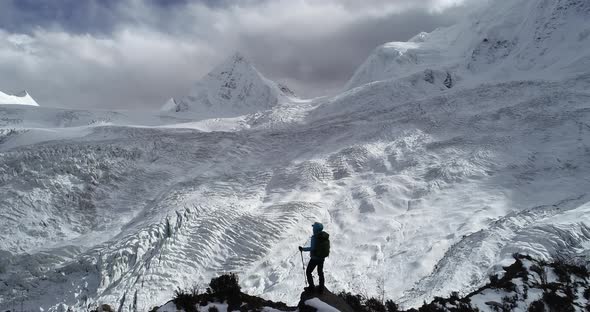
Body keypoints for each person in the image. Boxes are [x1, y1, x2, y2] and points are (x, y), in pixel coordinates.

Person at [299, 222, 330, 293]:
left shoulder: (315, 237)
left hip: (315, 258)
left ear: (315, 229)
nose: (312, 228)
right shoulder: (324, 236)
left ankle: (311, 288)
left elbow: (312, 248)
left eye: (313, 227)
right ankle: (321, 288)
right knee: (320, 272)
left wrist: (303, 249)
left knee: (308, 272)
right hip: (322, 258)